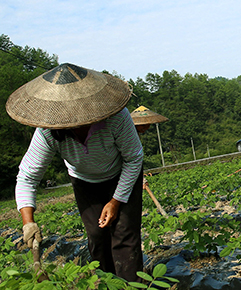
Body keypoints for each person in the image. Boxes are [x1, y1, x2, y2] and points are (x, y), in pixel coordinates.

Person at [7, 63, 144, 282]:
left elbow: (134, 157)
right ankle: (106, 284)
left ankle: (132, 285)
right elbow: (27, 177)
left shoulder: (115, 117)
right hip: (85, 182)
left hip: (121, 174)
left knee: (124, 238)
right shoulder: (48, 131)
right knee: (97, 238)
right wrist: (28, 223)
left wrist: (116, 201)